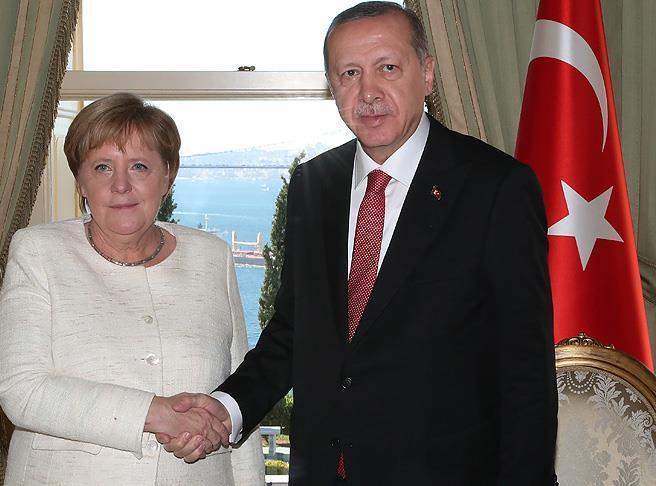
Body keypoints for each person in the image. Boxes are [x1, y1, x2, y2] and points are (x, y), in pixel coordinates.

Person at [160, 2, 558, 484]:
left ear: (427, 73)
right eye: (349, 74)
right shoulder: (312, 185)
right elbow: (292, 333)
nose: (368, 92)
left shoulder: (497, 187)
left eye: (387, 68)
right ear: (333, 86)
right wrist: (226, 409)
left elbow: (525, 371)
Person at [0, 92, 264, 485]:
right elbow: (23, 390)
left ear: (167, 175)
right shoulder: (37, 252)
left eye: (139, 166)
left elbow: (237, 392)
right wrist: (157, 413)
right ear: (80, 180)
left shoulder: (213, 256)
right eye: (102, 167)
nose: (121, 185)